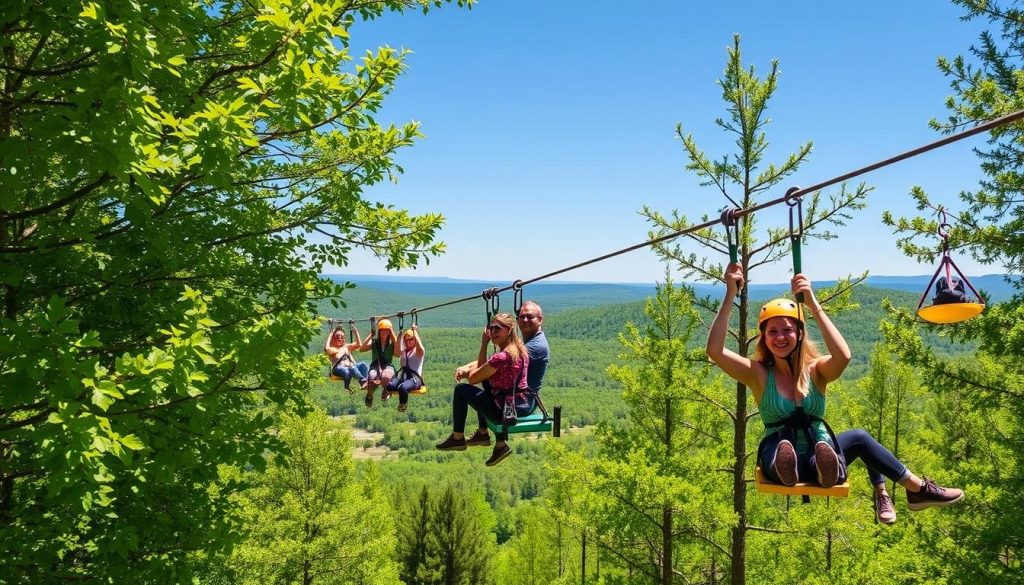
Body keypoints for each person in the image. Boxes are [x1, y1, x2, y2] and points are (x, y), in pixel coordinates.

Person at [707, 264, 964, 524]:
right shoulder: (759, 374)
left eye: (788, 330)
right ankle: (797, 466)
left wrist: (812, 304)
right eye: (772, 331)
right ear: (764, 338)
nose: (781, 337)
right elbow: (716, 351)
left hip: (818, 448)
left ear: (799, 333)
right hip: (779, 454)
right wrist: (730, 294)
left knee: (859, 438)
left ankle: (911, 487)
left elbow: (844, 356)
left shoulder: (816, 370)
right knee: (781, 450)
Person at [435, 312, 531, 466]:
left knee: (461, 390)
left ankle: (458, 437)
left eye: (497, 329)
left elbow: (474, 377)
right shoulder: (520, 351)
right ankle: (497, 443)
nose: (493, 332)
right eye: (490, 328)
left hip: (503, 408)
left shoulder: (502, 357)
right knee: (487, 387)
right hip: (519, 404)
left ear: (509, 330)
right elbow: (483, 372)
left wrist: (484, 344)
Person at [384, 325, 425, 412]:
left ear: (414, 339)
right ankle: (389, 393)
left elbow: (420, 347)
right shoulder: (403, 352)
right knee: (389, 385)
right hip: (403, 377)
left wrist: (415, 332)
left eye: (411, 340)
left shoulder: (418, 352)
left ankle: (403, 403)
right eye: (406, 340)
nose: (408, 342)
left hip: (414, 379)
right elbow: (397, 351)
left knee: (402, 388)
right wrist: (400, 334)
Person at [359, 318, 396, 408]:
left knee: (386, 376)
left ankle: (386, 390)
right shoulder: (375, 342)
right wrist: (370, 335)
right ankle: (369, 395)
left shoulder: (392, 344)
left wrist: (392, 332)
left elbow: (398, 352)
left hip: (388, 365)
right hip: (376, 365)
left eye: (387, 331)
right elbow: (362, 349)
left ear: (389, 333)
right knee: (372, 375)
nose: (384, 333)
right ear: (379, 332)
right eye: (382, 331)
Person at [323, 323, 368, 391]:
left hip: (352, 367)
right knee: (347, 370)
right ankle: (358, 383)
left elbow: (359, 344)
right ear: (334, 339)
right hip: (339, 368)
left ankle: (365, 380)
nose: (340, 339)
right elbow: (327, 349)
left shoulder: (347, 347)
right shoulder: (333, 349)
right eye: (338, 338)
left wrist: (355, 331)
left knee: (363, 364)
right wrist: (330, 335)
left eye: (342, 337)